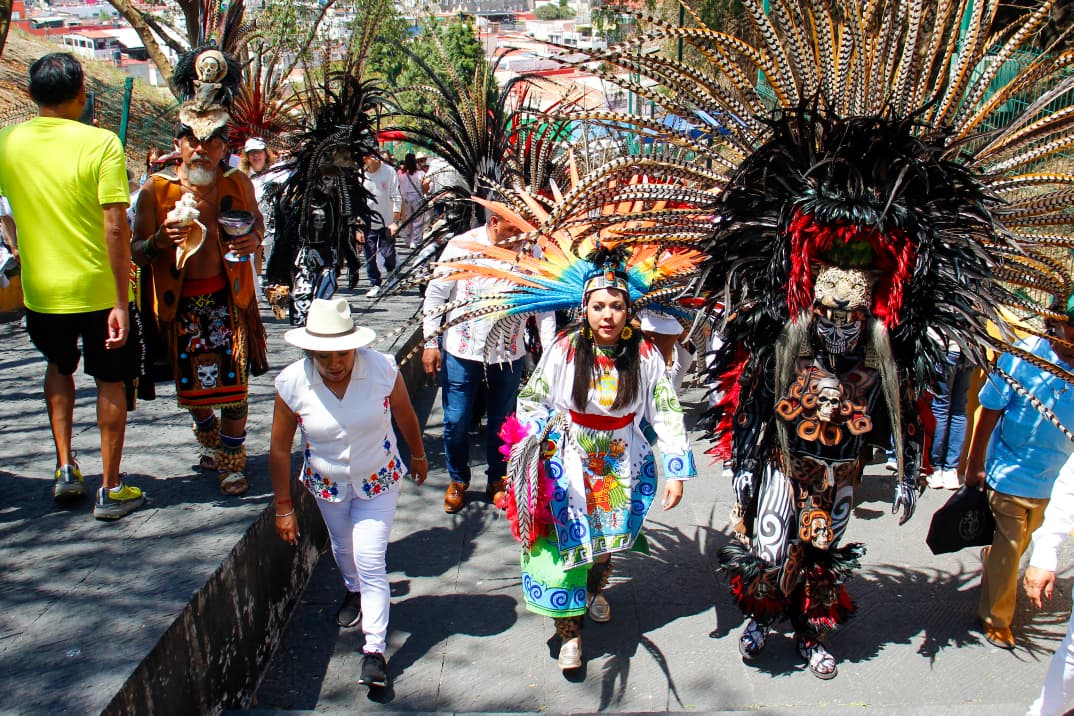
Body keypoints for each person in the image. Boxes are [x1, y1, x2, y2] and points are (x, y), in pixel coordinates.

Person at [501, 247, 696, 671]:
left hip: (619, 462)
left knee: (604, 543)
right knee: (566, 545)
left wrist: (676, 470)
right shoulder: (565, 347)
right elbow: (533, 399)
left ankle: (593, 590)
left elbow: (666, 410)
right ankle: (569, 633)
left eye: (616, 306)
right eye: (599, 306)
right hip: (566, 459)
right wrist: (530, 446)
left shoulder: (645, 354)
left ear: (629, 310)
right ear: (584, 309)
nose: (608, 315)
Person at [0, 52, 144, 520]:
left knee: (58, 367)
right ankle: (111, 487)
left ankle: (65, 467)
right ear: (82, 93)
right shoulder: (101, 143)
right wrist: (121, 300)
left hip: (42, 290)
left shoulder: (8, 142)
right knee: (110, 380)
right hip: (99, 290)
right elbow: (115, 227)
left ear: (31, 94)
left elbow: (7, 210)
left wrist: (17, 247)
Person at [270, 297, 428, 690]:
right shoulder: (291, 384)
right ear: (310, 352)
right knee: (343, 547)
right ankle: (353, 590)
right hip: (328, 484)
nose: (335, 363)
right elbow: (279, 448)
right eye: (324, 356)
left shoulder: (382, 369)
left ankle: (374, 649)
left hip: (378, 478)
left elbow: (404, 413)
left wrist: (418, 453)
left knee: (370, 558)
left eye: (342, 353)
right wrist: (283, 506)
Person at [132, 46, 268, 497]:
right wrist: (160, 240)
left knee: (235, 388)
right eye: (193, 140)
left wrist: (252, 240)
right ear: (179, 144)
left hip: (230, 301)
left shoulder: (237, 183)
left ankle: (231, 461)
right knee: (192, 390)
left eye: (212, 142)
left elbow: (257, 226)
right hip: (181, 306)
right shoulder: (156, 191)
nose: (202, 149)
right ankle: (208, 435)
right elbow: (136, 252)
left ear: (225, 146)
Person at [421, 211, 555, 513]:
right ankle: (458, 479)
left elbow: (544, 306)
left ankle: (497, 478)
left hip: (508, 353)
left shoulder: (531, 251)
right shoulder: (462, 245)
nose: (520, 238)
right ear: (494, 222)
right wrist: (430, 342)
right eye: (514, 230)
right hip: (462, 351)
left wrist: (549, 353)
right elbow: (436, 295)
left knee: (501, 421)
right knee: (456, 421)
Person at [963, 297, 1074, 650]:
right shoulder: (1022, 354)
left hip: (1056, 483)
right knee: (1011, 550)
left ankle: (993, 563)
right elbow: (990, 408)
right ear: (1054, 323)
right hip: (1009, 474)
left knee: (1020, 545)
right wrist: (975, 463)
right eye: (1068, 327)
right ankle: (996, 619)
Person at [927, 334, 971, 490]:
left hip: (945, 348)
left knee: (940, 408)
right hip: (970, 349)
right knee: (959, 410)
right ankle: (951, 470)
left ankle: (935, 468)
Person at [360, 154, 401, 298]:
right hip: (367, 222)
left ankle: (391, 271)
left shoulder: (389, 171)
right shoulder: (359, 174)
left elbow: (396, 196)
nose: (376, 159)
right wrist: (357, 224)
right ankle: (375, 283)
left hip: (387, 221)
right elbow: (356, 200)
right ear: (365, 159)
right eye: (372, 156)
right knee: (370, 254)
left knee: (388, 253)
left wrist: (395, 221)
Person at [397, 153, 427, 250]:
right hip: (417, 197)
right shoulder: (420, 173)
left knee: (408, 219)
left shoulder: (401, 174)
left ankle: (408, 239)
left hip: (405, 197)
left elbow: (398, 187)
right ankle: (415, 241)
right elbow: (425, 185)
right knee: (418, 219)